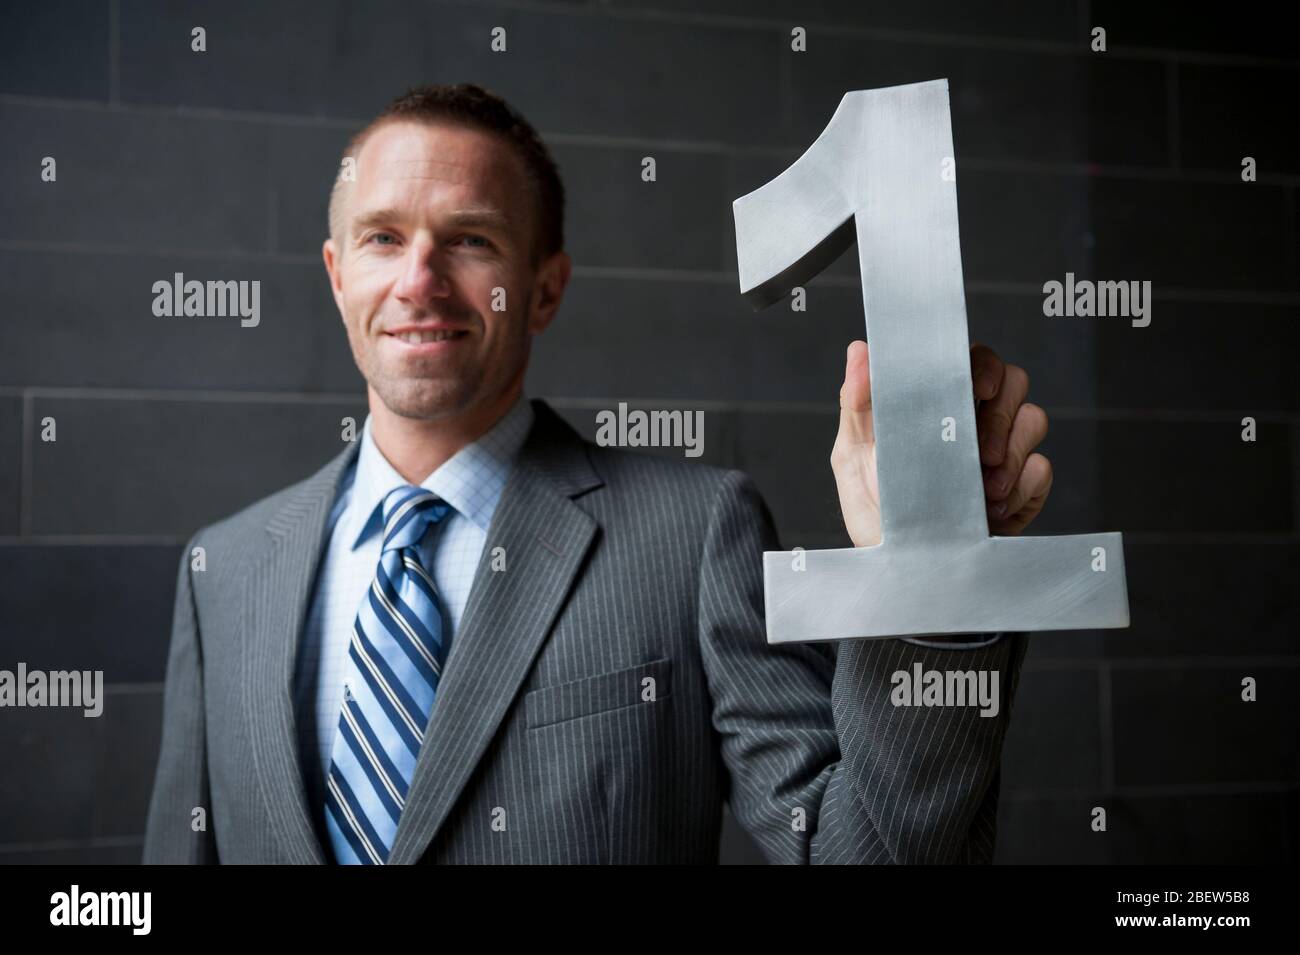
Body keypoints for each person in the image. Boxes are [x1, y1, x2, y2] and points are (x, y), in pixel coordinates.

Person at [143, 83, 1053, 865]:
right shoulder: (221, 574)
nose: (419, 279)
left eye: (470, 240)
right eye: (383, 238)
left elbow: (853, 852)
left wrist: (925, 585)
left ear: (545, 288)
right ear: (339, 274)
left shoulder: (696, 534)